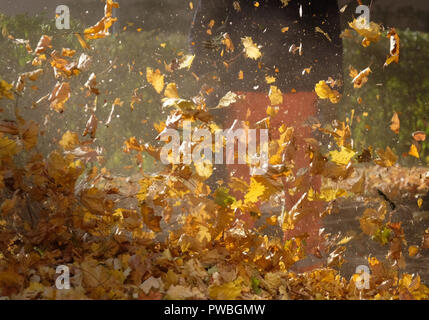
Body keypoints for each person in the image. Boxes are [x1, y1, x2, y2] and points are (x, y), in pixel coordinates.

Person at [188, 0, 356, 261]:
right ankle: (240, 256)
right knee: (245, 182)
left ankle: (283, 258)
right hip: (254, 87)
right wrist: (209, 72)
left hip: (290, 85)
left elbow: (204, 22)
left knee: (290, 181)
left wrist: (207, 69)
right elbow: (328, 23)